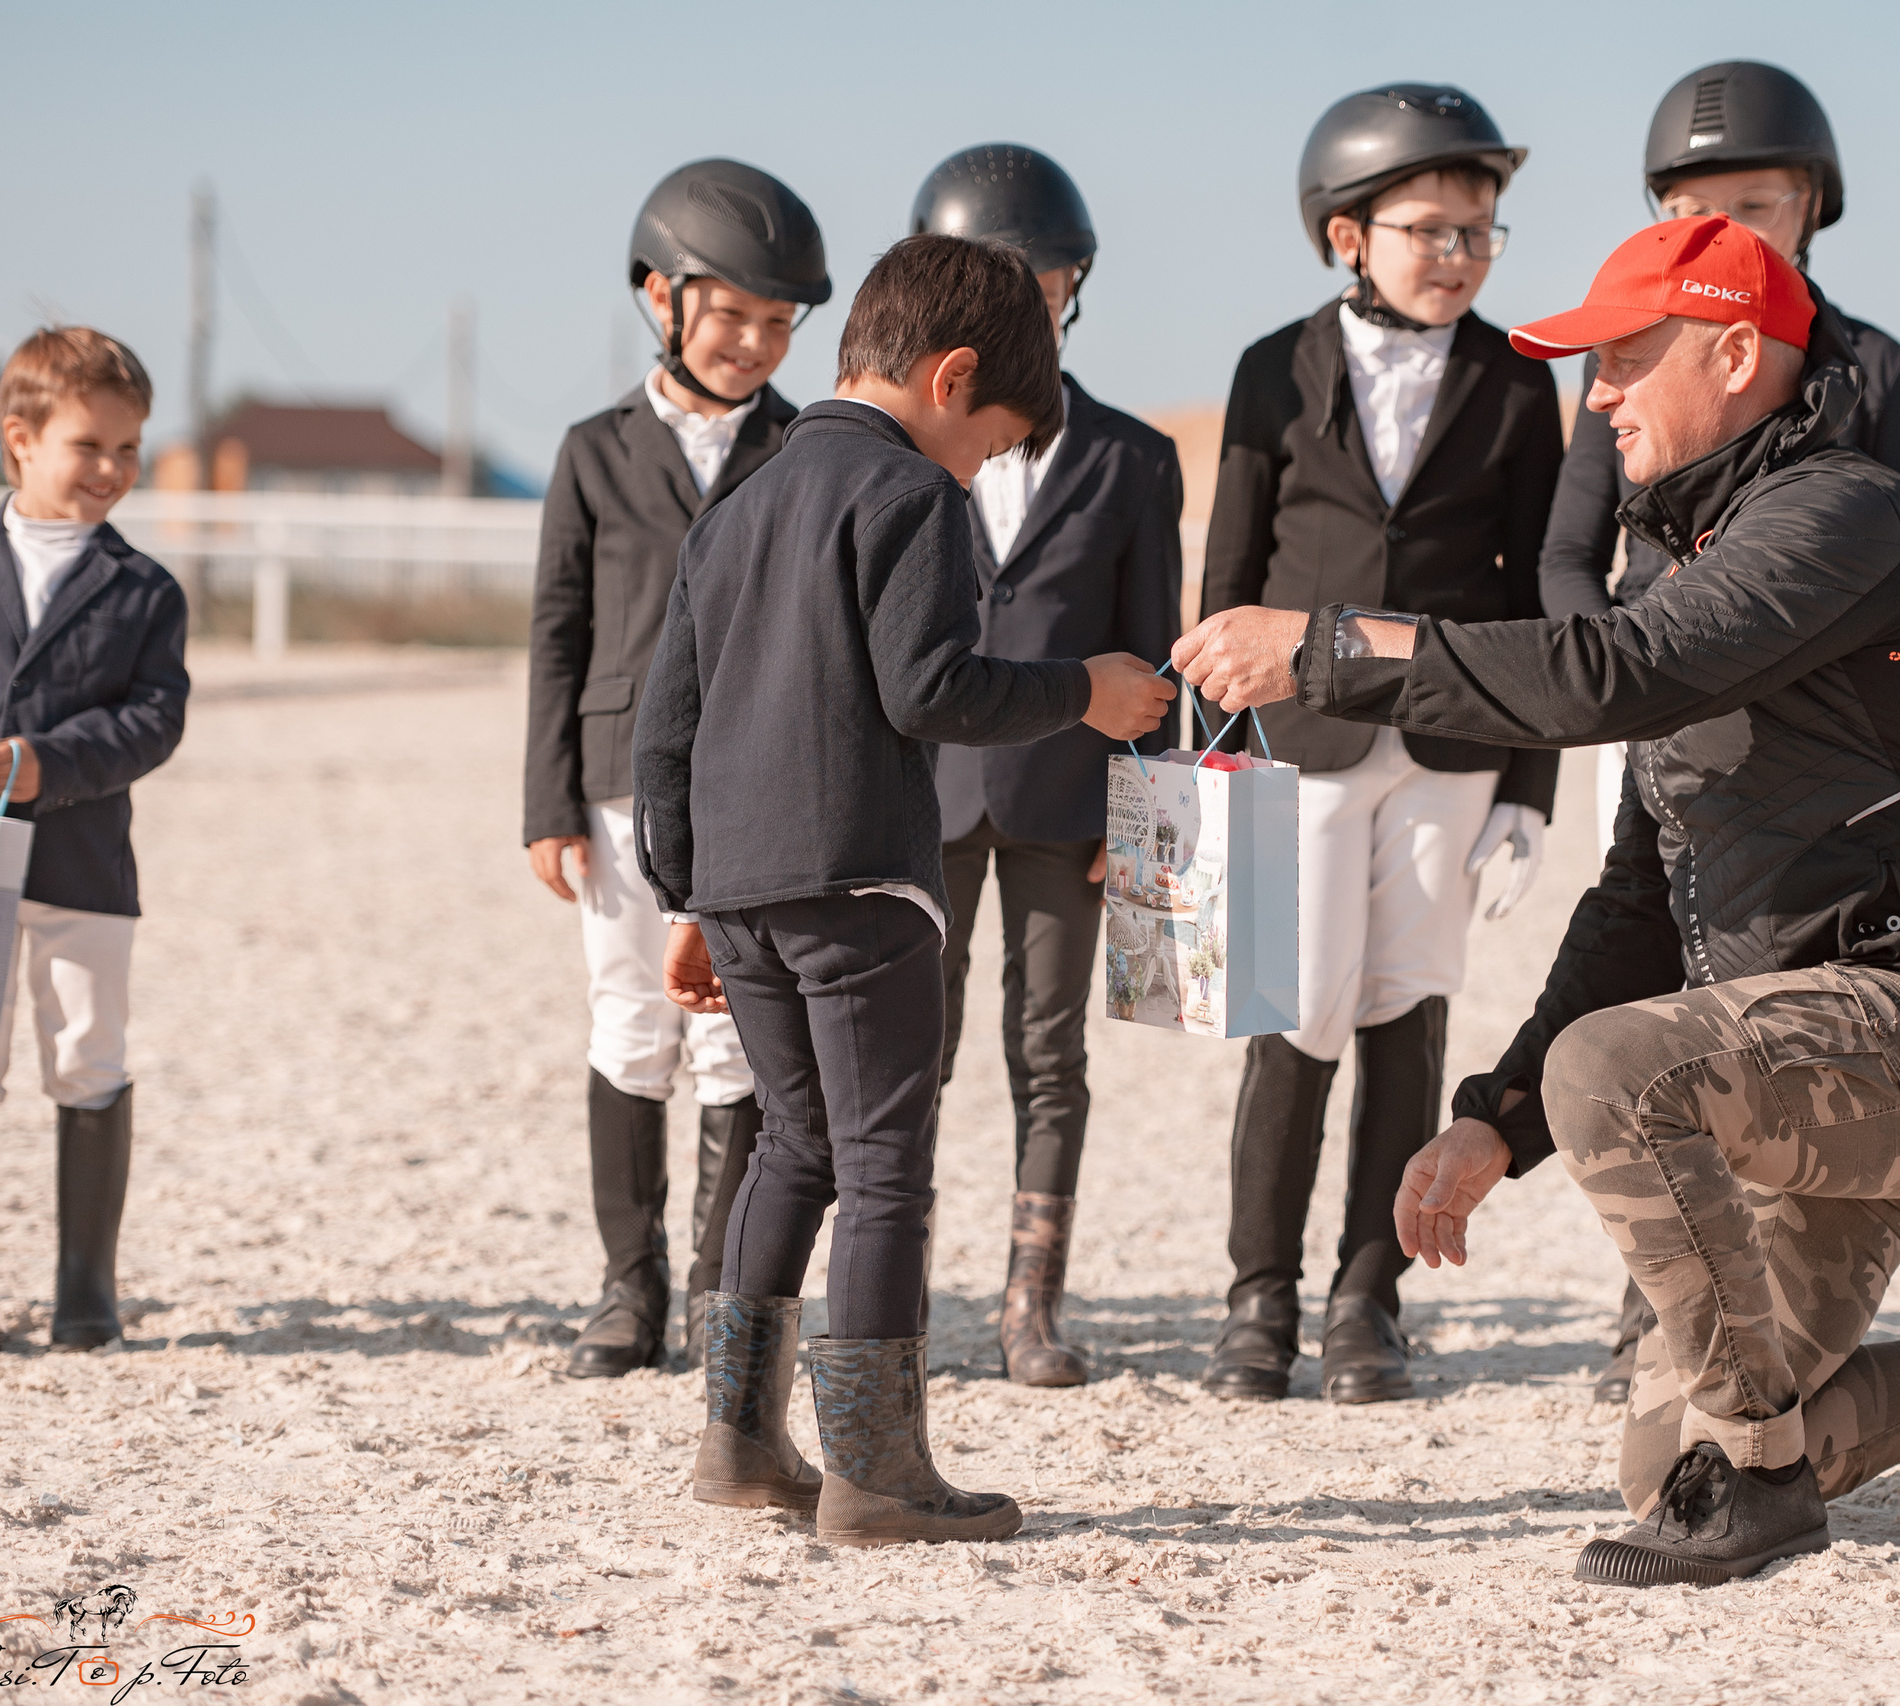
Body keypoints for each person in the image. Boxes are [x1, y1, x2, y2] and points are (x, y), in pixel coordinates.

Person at [1173, 217, 1900, 1586]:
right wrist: (1496, 1118)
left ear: (1732, 353)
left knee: (1624, 1084)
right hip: (1801, 1056)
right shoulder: (1689, 565)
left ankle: (1766, 1486)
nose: (1594, 401)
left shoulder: (1850, 515)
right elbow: (1637, 898)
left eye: (1622, 363)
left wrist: (1330, 641)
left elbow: (1617, 673)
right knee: (1675, 1465)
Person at [634, 234, 1175, 1543]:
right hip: (862, 875)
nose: (977, 467)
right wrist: (1084, 689)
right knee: (884, 1160)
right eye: (986, 444)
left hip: (742, 881)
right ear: (951, 379)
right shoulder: (910, 496)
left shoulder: (742, 500)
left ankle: (739, 1438)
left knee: (791, 1139)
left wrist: (686, 888)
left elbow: (663, 726)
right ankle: (875, 1471)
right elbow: (930, 686)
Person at [1551, 61, 1900, 1407]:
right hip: (1656, 699)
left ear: (1814, 206)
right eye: (1693, 201)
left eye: (1757, 202)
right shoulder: (1639, 350)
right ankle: (1649, 1281)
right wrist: (1615, 662)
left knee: (1781, 979)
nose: (1730, 222)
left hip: (1814, 734)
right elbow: (1564, 558)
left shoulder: (1876, 371)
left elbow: (1897, 563)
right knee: (1652, 968)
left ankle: (1774, 1260)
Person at [1195, 84, 1564, 1408]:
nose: (1459, 254)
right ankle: (1259, 1298)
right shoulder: (1268, 369)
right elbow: (1227, 585)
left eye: (1480, 232)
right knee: (1295, 1013)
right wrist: (1205, 782)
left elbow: (1542, 599)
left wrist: (1532, 782)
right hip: (1297, 741)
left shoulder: (1523, 381)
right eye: (1430, 229)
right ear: (1348, 235)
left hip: (1455, 741)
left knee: (1407, 1007)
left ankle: (1368, 1297)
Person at [524, 159, 828, 1378]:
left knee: (735, 1033)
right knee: (629, 1017)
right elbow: (555, 631)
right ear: (661, 295)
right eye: (731, 315)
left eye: (776, 323)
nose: (754, 342)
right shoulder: (592, 451)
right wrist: (546, 800)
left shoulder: (807, 446)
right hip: (610, 780)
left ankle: (719, 1287)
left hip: (750, 781)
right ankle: (626, 1286)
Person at [909, 144, 1183, 1389]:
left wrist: (1140, 818)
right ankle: (894, 1286)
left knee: (1050, 1050)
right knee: (915, 1043)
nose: (1031, 297)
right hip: (928, 793)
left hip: (1066, 799)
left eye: (1049, 277)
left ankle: (1032, 1302)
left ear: (1077, 286)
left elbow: (1150, 648)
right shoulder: (903, 454)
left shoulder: (1132, 458)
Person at [0, 327, 187, 1357]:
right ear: (20, 437)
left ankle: (85, 1290)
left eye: (130, 449)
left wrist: (52, 765)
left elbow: (154, 716)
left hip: (84, 864)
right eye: (92, 446)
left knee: (86, 1056)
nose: (114, 469)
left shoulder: (145, 589)